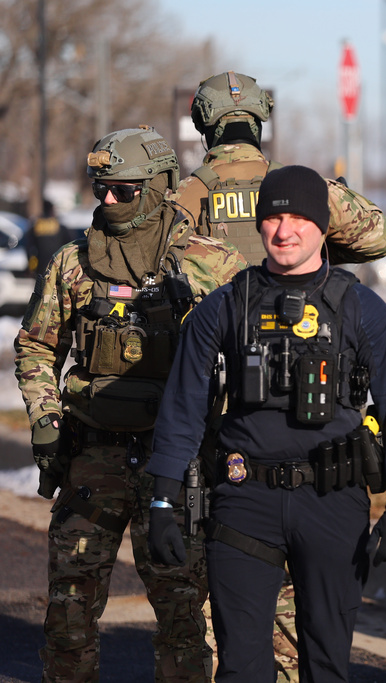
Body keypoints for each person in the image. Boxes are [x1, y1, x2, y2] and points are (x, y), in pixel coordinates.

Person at [146, 165, 386, 682]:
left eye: (299, 217)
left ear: (321, 226)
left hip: (333, 503)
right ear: (259, 225)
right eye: (274, 218)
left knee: (326, 662)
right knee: (241, 665)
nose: (285, 230)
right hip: (242, 500)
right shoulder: (223, 307)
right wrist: (162, 500)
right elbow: (182, 406)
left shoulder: (363, 309)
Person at [15, 125, 246, 682]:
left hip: (176, 466)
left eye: (125, 189)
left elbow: (251, 355)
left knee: (183, 617)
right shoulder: (74, 262)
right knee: (68, 614)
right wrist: (47, 419)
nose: (110, 201)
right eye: (101, 190)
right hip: (93, 459)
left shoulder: (212, 264)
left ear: (161, 185)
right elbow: (36, 346)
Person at [173, 70, 386, 267]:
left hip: (215, 314)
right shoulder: (306, 188)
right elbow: (383, 238)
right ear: (258, 121)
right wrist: (314, 248)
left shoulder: (179, 198)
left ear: (202, 126)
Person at [24, 200, 72, 275]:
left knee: (42, 285)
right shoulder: (59, 226)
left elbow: (29, 247)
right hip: (58, 264)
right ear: (51, 210)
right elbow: (69, 244)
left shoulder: (36, 226)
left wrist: (31, 266)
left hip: (41, 265)